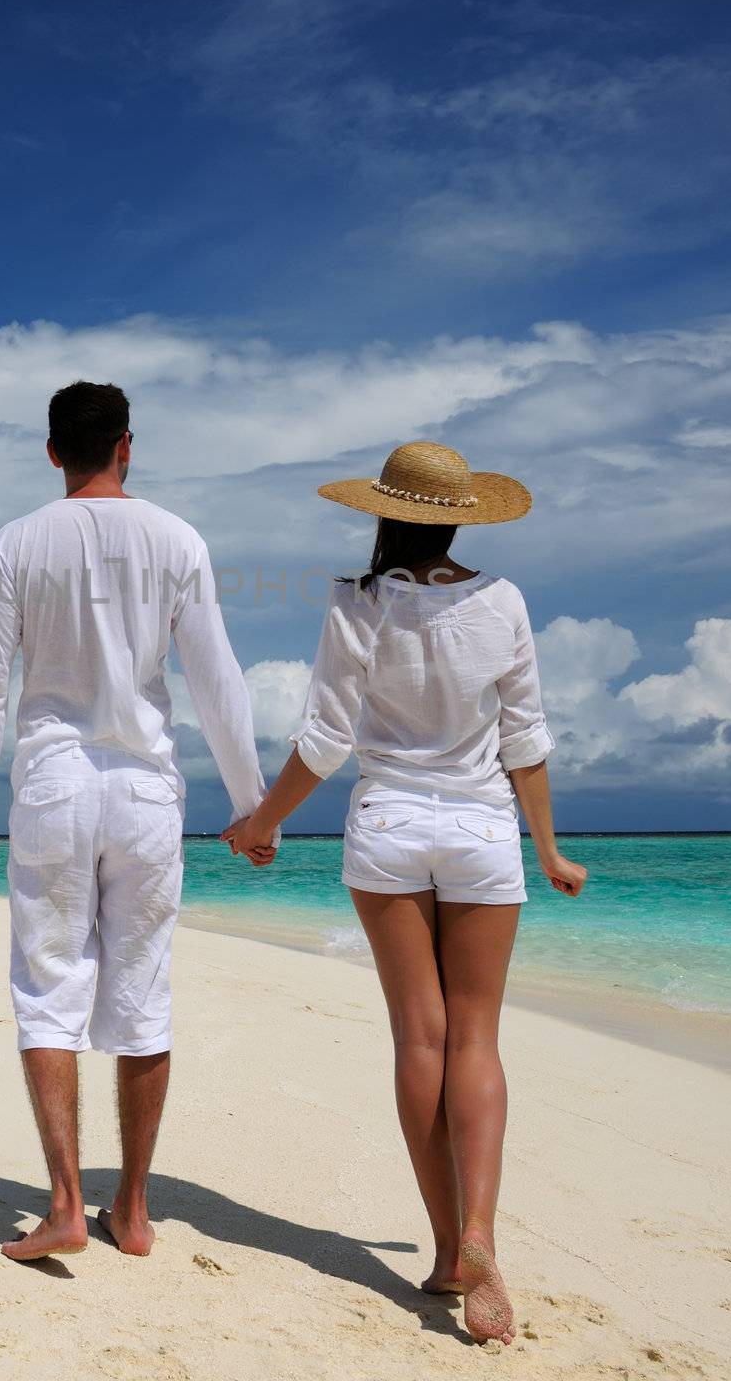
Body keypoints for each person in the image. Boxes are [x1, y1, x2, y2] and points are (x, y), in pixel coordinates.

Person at [223, 440, 587, 1345]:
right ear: (462, 515)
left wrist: (263, 823)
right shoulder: (501, 600)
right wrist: (548, 848)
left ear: (383, 513)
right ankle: (481, 1237)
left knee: (419, 1037)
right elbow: (525, 739)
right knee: (478, 1039)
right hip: (480, 833)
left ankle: (441, 1245)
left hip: (387, 828)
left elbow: (325, 741)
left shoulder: (356, 603)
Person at [0, 381, 272, 1263]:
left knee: (48, 986)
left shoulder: (18, 541)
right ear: (128, 444)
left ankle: (63, 1204)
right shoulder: (177, 539)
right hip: (144, 792)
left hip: (53, 784)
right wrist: (252, 805)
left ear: (53, 451)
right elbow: (216, 680)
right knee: (143, 993)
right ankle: (129, 1211)